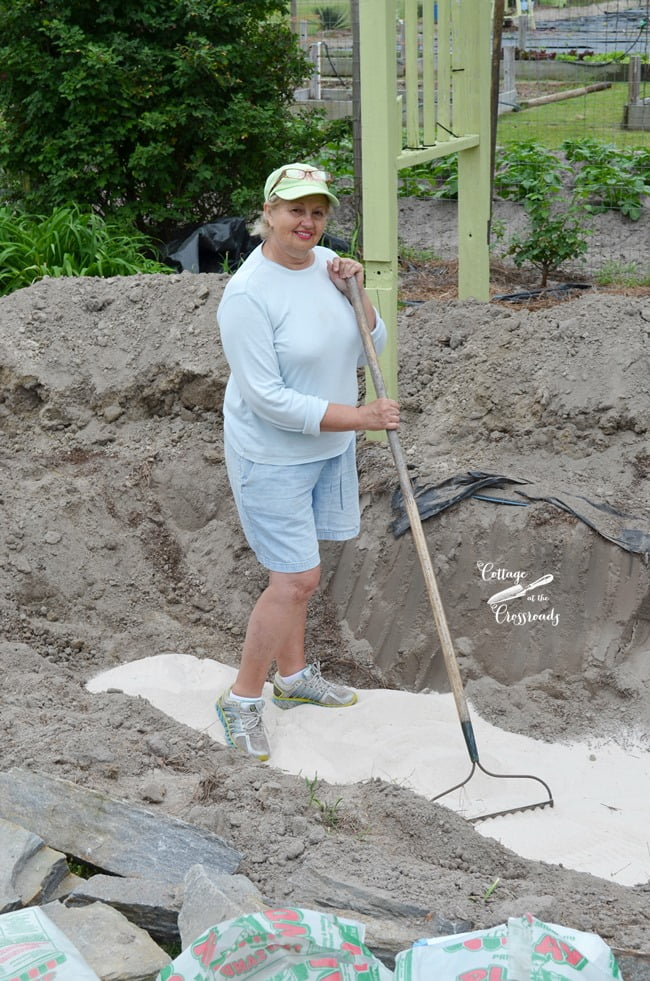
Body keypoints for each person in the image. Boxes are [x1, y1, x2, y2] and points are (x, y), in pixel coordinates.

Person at [215, 162, 400, 761]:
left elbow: (374, 339)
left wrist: (357, 287)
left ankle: (292, 681)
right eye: (295, 209)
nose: (308, 221)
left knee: (298, 576)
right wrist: (362, 419)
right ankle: (243, 699)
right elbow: (269, 400)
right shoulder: (247, 295)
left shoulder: (327, 268)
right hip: (272, 455)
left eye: (318, 211)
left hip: (327, 447)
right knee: (296, 580)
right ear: (267, 213)